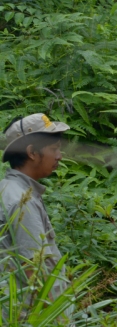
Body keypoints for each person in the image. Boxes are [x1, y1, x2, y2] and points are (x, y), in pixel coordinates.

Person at [0, 113, 71, 300]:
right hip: (35, 320)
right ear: (32, 153)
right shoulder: (23, 201)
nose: (59, 156)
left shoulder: (9, 190)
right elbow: (34, 271)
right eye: (54, 149)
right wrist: (61, 323)